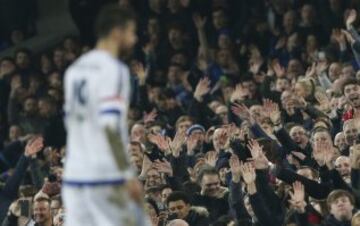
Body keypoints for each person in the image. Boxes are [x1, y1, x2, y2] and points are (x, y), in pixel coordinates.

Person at [62, 4, 149, 226]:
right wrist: (127, 174)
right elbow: (109, 125)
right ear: (117, 31)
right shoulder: (113, 69)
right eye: (131, 32)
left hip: (74, 177)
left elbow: (70, 122)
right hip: (104, 175)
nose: (134, 39)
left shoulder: (74, 70)